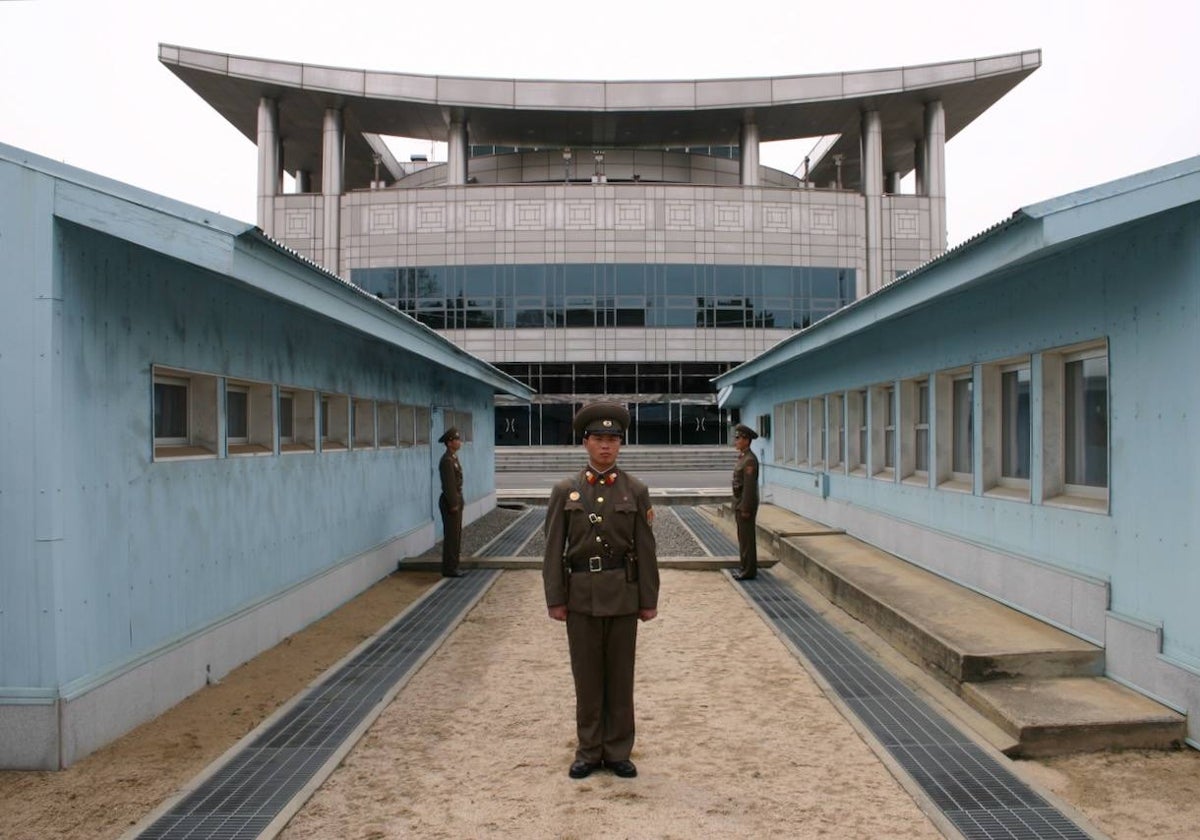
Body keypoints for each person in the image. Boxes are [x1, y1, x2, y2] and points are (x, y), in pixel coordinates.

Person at [542, 402, 660, 780]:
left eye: (613, 439)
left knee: (620, 677)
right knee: (587, 677)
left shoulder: (636, 490)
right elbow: (552, 549)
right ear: (585, 442)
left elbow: (646, 549)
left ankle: (618, 749)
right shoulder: (566, 491)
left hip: (623, 594)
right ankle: (589, 751)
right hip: (580, 595)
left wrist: (648, 599)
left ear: (621, 444)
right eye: (599, 439)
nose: (606, 446)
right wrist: (555, 598)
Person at [731, 423, 760, 581]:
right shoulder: (743, 457)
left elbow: (749, 487)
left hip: (745, 505)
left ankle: (748, 570)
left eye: (738, 438)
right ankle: (745, 567)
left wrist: (745, 508)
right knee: (743, 539)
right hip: (740, 503)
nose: (736, 441)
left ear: (746, 440)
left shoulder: (749, 460)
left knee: (747, 540)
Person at [437, 426, 465, 578]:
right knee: (451, 537)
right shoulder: (447, 460)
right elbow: (448, 484)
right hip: (450, 503)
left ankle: (454, 566)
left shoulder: (453, 458)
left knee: (456, 536)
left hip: (456, 500)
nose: (459, 442)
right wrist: (454, 504)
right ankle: (449, 568)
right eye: (456, 439)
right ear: (449, 443)